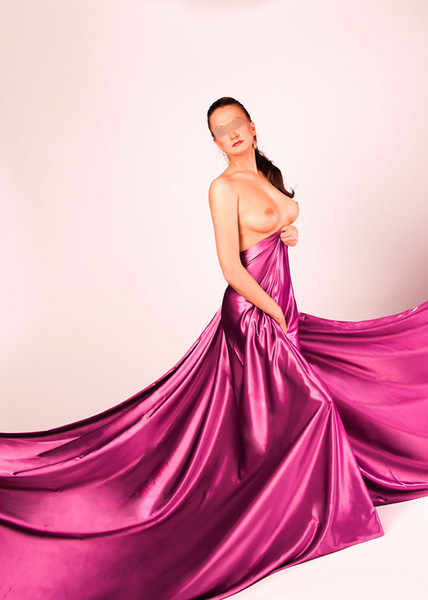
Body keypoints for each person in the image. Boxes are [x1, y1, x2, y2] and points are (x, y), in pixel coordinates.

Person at [0, 97, 427, 600]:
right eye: (220, 131)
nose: (232, 135)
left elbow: (271, 229)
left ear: (251, 125)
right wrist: (273, 312)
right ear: (216, 141)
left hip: (280, 306)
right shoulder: (222, 188)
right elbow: (230, 266)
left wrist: (288, 232)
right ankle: (319, 515)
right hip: (253, 312)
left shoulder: (266, 174)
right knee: (314, 407)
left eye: (236, 124)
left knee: (315, 393)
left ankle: (300, 499)